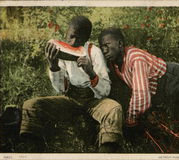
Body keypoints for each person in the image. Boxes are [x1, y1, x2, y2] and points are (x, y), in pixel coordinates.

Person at [19, 16, 123, 153]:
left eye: (79, 39)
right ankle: (30, 148)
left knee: (114, 109)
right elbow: (60, 89)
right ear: (66, 33)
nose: (73, 42)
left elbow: (106, 90)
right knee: (30, 105)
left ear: (86, 39)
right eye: (71, 37)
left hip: (94, 100)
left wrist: (91, 73)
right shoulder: (60, 52)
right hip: (70, 99)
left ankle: (107, 152)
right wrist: (54, 66)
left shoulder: (95, 52)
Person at [98, 28, 179, 138]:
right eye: (102, 47)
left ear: (120, 44)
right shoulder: (115, 64)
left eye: (107, 45)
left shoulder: (135, 58)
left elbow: (141, 95)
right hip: (167, 88)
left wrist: (130, 120)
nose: (104, 51)